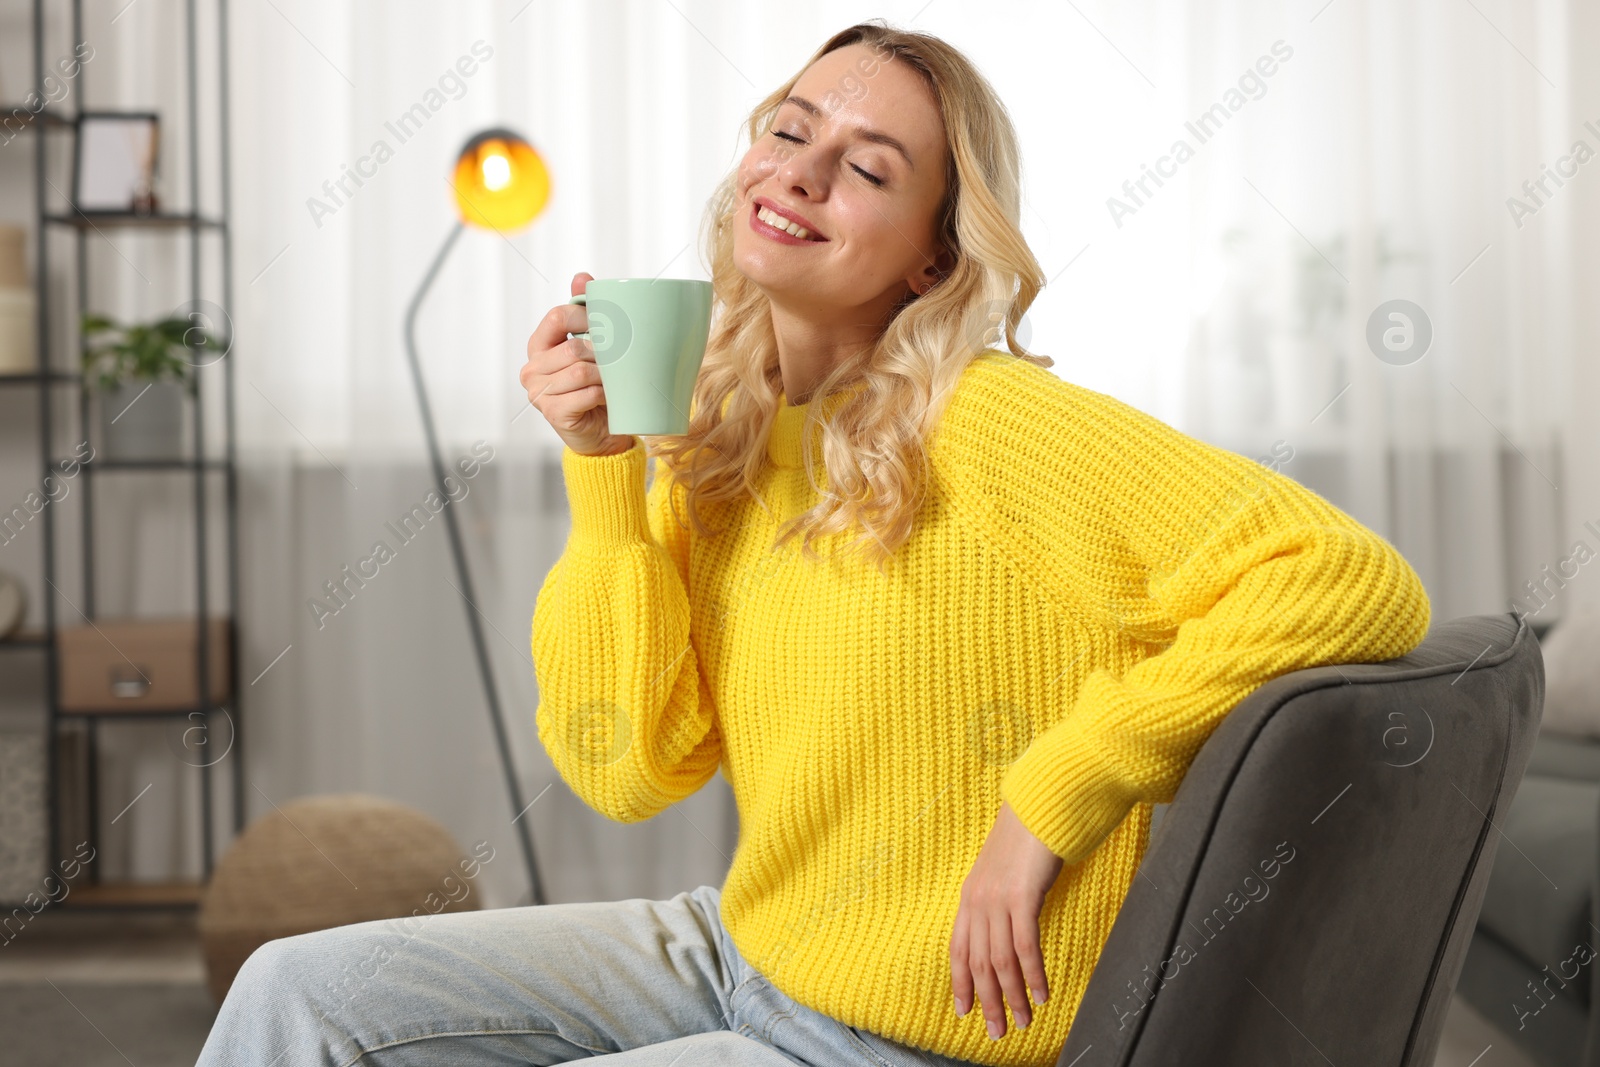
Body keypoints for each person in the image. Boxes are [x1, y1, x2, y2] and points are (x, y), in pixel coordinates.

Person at [196, 19, 1431, 1067]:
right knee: (292, 991)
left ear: (936, 252)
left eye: (868, 168)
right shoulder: (718, 439)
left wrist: (1051, 797)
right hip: (742, 942)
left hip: (904, 1021)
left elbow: (1349, 578)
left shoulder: (989, 420)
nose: (800, 173)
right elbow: (628, 773)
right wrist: (604, 474)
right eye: (789, 133)